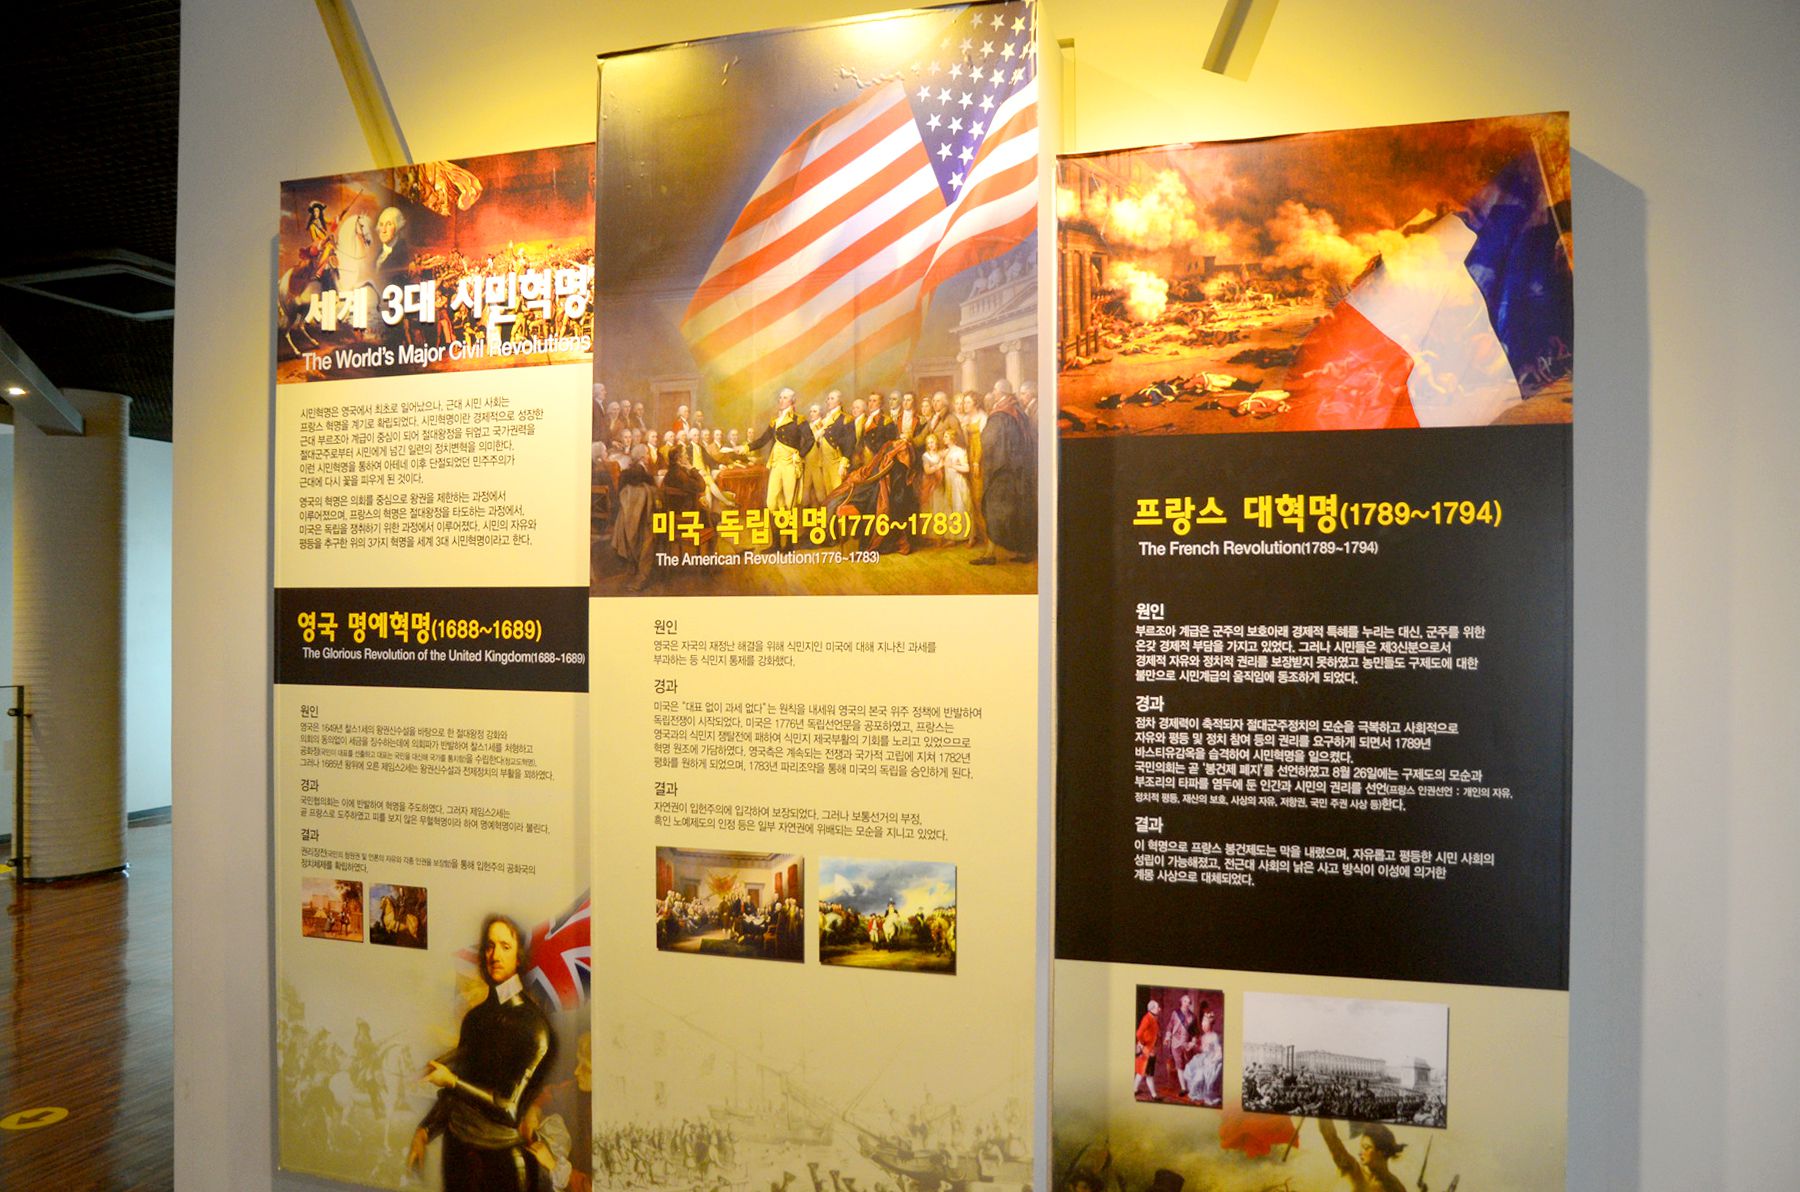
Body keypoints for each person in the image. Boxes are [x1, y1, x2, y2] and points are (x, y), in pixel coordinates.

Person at [408, 915, 553, 1191]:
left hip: (502, 1161)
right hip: (458, 1154)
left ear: (519, 958)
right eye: (489, 946)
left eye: (505, 947)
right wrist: (425, 1130)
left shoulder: (533, 1026)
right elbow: (454, 1096)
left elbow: (509, 1109)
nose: (495, 955)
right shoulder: (475, 1019)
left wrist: (452, 1081)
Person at [972, 382, 1035, 565]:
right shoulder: (1018, 410)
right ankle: (1021, 551)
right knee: (1015, 509)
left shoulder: (1000, 415)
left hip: (1002, 471)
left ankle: (990, 554)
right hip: (1018, 469)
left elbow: (989, 440)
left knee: (994, 509)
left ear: (1000, 393)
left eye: (994, 390)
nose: (992, 392)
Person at [749, 388, 815, 512]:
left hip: (790, 463)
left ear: (792, 401)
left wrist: (800, 455)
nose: (781, 400)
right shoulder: (775, 421)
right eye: (780, 397)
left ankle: (789, 523)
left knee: (790, 501)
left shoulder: (799, 420)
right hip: (776, 463)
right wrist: (746, 448)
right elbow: (763, 439)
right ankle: (777, 523)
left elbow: (810, 440)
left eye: (784, 398)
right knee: (771, 502)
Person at [1317, 1118, 1406, 1192]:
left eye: (1366, 1148)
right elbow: (1329, 1135)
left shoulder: (1395, 1187)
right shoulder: (1350, 1168)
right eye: (1361, 1147)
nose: (1360, 1152)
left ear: (1382, 1152)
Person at [1179, 1002, 1222, 1106]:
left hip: (1211, 1061)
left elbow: (1219, 1052)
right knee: (1193, 1070)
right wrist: (1194, 1046)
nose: (1202, 1025)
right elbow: (1203, 1049)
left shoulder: (1214, 1036)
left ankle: (1205, 1094)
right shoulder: (1203, 1037)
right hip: (1204, 1059)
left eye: (1205, 1023)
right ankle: (1197, 1093)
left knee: (1201, 1073)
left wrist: (1213, 1060)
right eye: (1202, 1023)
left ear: (1210, 1024)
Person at [1133, 999, 1160, 1099]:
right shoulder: (1147, 1019)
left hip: (1150, 1048)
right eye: (1157, 1007)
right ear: (1152, 1009)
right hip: (1147, 1050)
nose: (1159, 1009)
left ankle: (1134, 1089)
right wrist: (1142, 1044)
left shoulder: (1153, 1018)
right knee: (1149, 1073)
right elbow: (1138, 1033)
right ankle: (1154, 1095)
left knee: (1141, 1071)